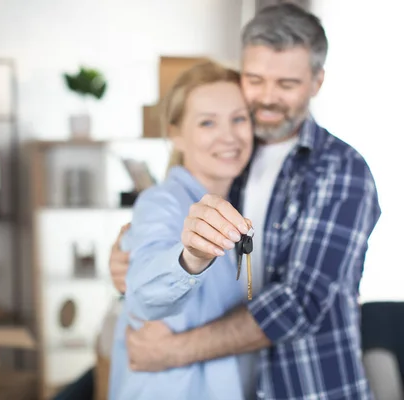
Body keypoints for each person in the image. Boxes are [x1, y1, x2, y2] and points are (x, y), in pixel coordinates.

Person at [110, 3, 382, 400]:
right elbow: (168, 248)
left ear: (317, 82)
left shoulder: (341, 170)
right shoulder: (232, 160)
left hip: (308, 387)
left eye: (286, 84)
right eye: (255, 79)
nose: (267, 98)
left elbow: (298, 303)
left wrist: (171, 352)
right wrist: (124, 254)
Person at [108, 60, 254, 400]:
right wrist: (191, 257)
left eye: (239, 118)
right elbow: (144, 294)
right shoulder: (160, 203)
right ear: (175, 134)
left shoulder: (243, 201)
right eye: (207, 122)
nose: (228, 136)